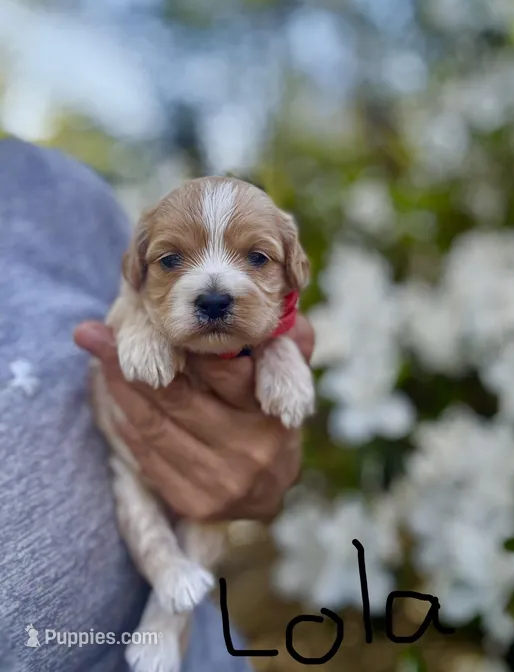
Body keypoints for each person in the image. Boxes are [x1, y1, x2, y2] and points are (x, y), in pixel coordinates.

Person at [0, 137, 314, 672]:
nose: (214, 289)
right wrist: (142, 327)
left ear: (292, 269)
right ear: (142, 264)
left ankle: (169, 625)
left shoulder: (55, 185)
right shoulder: (136, 279)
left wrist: (280, 370)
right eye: (172, 259)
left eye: (257, 257)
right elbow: (129, 302)